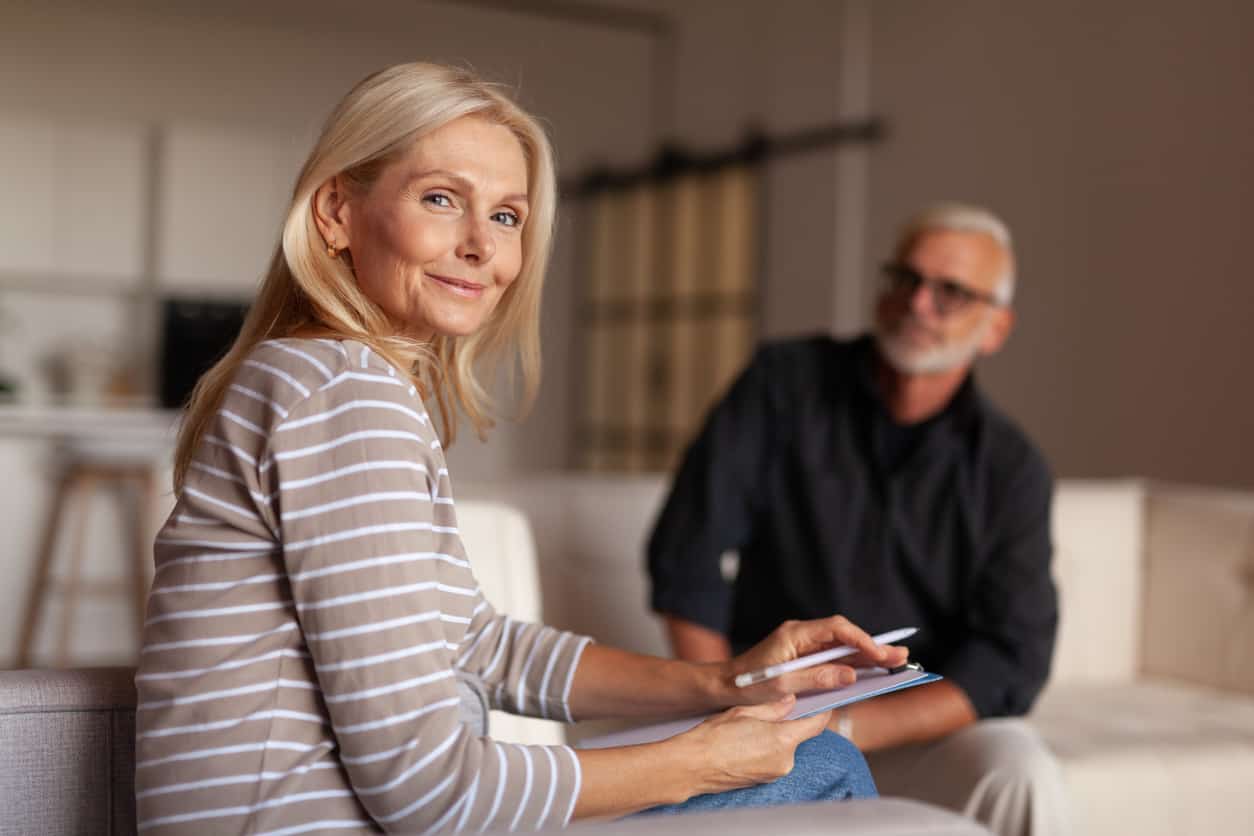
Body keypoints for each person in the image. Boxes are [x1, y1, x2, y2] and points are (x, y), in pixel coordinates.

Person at [133, 63, 908, 835]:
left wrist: (726, 680)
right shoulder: (344, 392)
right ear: (337, 211)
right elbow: (429, 790)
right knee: (826, 768)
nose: (481, 246)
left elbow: (477, 645)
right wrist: (706, 760)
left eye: (507, 216)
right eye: (441, 199)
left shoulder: (322, 378)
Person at [648, 204, 1072, 836]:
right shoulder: (782, 383)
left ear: (994, 328)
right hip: (764, 710)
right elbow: (688, 556)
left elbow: (1011, 657)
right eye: (905, 278)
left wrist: (846, 729)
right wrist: (725, 709)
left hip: (906, 728)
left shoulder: (1011, 467)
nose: (917, 303)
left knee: (1020, 770)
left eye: (950, 292)